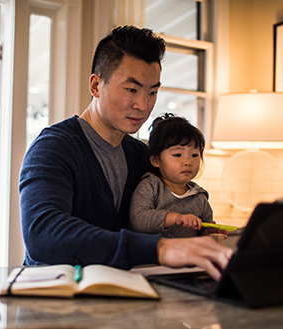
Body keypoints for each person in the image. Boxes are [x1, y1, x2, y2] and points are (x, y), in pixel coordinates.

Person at [19, 25, 232, 281]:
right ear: (96, 85)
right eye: (131, 90)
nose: (143, 105)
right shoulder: (53, 148)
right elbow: (43, 235)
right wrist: (160, 249)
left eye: (152, 92)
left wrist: (200, 235)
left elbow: (166, 212)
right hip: (51, 298)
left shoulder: (142, 155)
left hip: (119, 295)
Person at [130, 113, 214, 238]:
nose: (188, 162)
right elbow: (139, 219)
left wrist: (210, 232)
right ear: (155, 160)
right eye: (178, 155)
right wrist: (176, 218)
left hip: (188, 256)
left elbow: (204, 230)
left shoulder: (199, 197)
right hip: (155, 255)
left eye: (194, 155)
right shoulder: (151, 186)